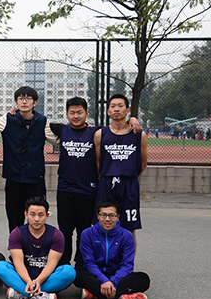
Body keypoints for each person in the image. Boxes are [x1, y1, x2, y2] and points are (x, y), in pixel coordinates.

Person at [48, 97, 141, 267]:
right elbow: (38, 121)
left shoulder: (96, 132)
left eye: (80, 112)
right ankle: (63, 265)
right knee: (65, 230)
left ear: (86, 113)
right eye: (72, 113)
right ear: (67, 114)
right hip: (65, 190)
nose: (76, 116)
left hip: (88, 190)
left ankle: (82, 264)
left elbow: (118, 126)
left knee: (85, 231)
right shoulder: (62, 130)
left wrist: (132, 119)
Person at [0, 86, 59, 232]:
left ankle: (35, 247)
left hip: (36, 179)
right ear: (16, 102)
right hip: (13, 179)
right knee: (14, 220)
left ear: (35, 102)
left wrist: (84, 129)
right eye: (21, 98)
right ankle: (15, 247)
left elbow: (57, 140)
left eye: (28, 98)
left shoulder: (42, 121)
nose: (24, 101)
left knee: (37, 220)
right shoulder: (7, 119)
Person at [0, 197, 76, 299]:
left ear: (47, 215)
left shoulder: (56, 235)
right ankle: (40, 296)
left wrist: (38, 281)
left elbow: (51, 263)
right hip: (23, 276)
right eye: (32, 214)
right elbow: (18, 262)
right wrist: (28, 281)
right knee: (0, 266)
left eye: (41, 215)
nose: (36, 219)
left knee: (69, 272)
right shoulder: (17, 233)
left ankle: (23, 293)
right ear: (26, 215)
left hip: (47, 278)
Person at [94, 94, 148, 245]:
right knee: (103, 226)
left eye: (120, 106)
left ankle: (127, 260)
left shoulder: (139, 135)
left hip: (129, 185)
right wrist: (107, 177)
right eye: (113, 106)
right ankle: (104, 259)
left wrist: (130, 179)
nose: (116, 109)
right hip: (106, 183)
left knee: (129, 228)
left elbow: (143, 163)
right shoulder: (100, 134)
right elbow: (98, 162)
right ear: (108, 111)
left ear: (127, 110)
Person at [74, 199, 150, 299]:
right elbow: (89, 263)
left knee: (143, 279)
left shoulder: (127, 236)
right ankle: (120, 298)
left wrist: (113, 282)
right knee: (77, 274)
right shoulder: (87, 234)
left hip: (116, 274)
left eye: (112, 215)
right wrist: (104, 281)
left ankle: (95, 293)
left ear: (118, 216)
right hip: (95, 274)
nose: (107, 219)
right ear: (97, 216)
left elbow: (127, 265)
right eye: (103, 215)